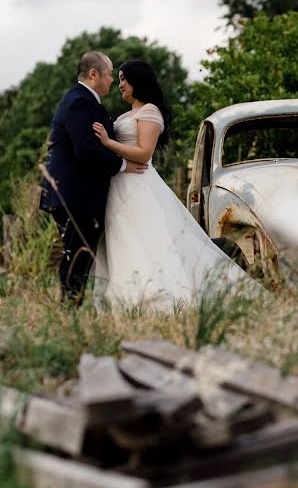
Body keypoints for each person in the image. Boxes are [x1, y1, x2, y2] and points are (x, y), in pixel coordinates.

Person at [91, 59, 254, 310]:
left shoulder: (150, 112)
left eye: (124, 79)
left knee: (145, 240)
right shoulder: (126, 115)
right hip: (119, 185)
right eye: (119, 78)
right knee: (122, 240)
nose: (119, 84)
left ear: (137, 81)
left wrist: (107, 142)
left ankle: (158, 299)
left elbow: (144, 153)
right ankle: (123, 299)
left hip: (139, 187)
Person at [40, 51, 148, 305]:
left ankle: (71, 310)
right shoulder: (79, 102)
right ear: (93, 74)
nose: (112, 80)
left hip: (77, 195)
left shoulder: (86, 101)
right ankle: (69, 312)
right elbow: (87, 150)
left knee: (79, 257)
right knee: (77, 257)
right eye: (110, 74)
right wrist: (123, 164)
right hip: (75, 196)